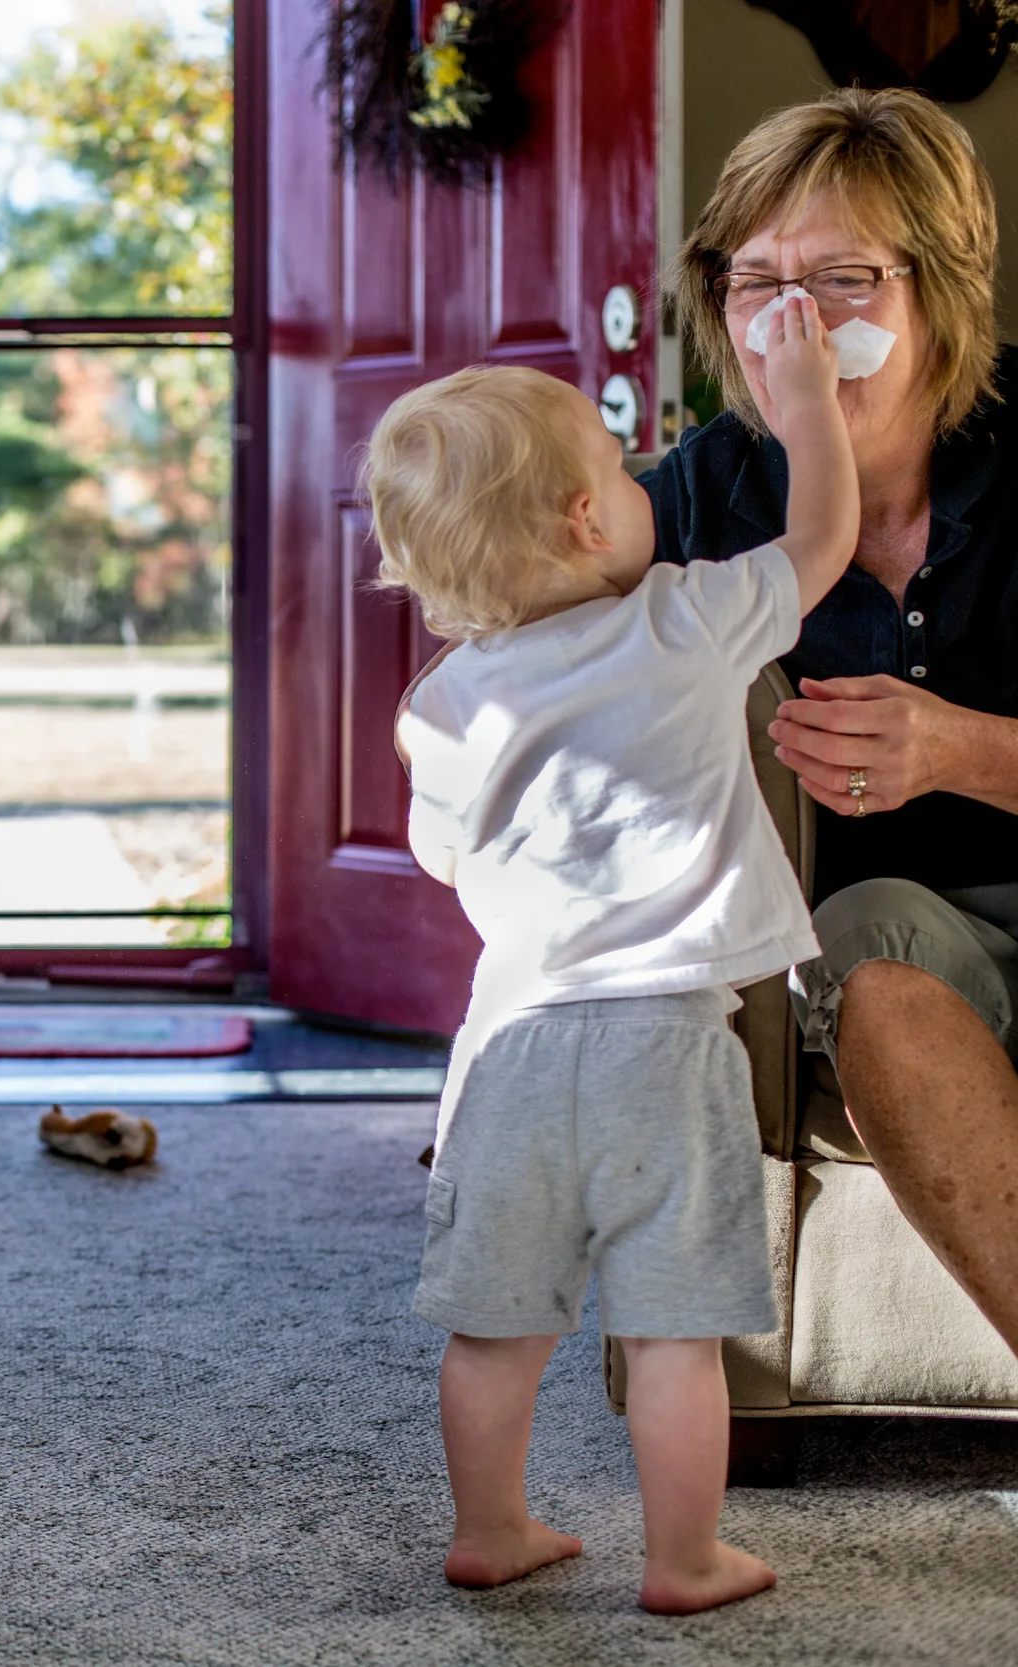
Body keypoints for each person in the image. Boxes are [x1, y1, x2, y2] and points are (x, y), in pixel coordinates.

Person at [650, 87, 1018, 1618]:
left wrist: (951, 744)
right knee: (864, 958)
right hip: (925, 931)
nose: (794, 322)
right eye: (756, 283)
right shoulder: (716, 484)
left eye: (843, 281)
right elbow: (542, 630)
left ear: (937, 286)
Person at [374, 302, 858, 1611]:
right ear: (591, 520)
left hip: (514, 1050)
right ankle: (686, 1556)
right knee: (670, 1331)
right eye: (622, 466)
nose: (647, 484)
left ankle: (490, 1525)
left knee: (498, 1321)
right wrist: (804, 395)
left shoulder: (443, 704)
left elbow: (436, 857)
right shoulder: (684, 621)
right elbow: (820, 541)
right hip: (666, 1042)